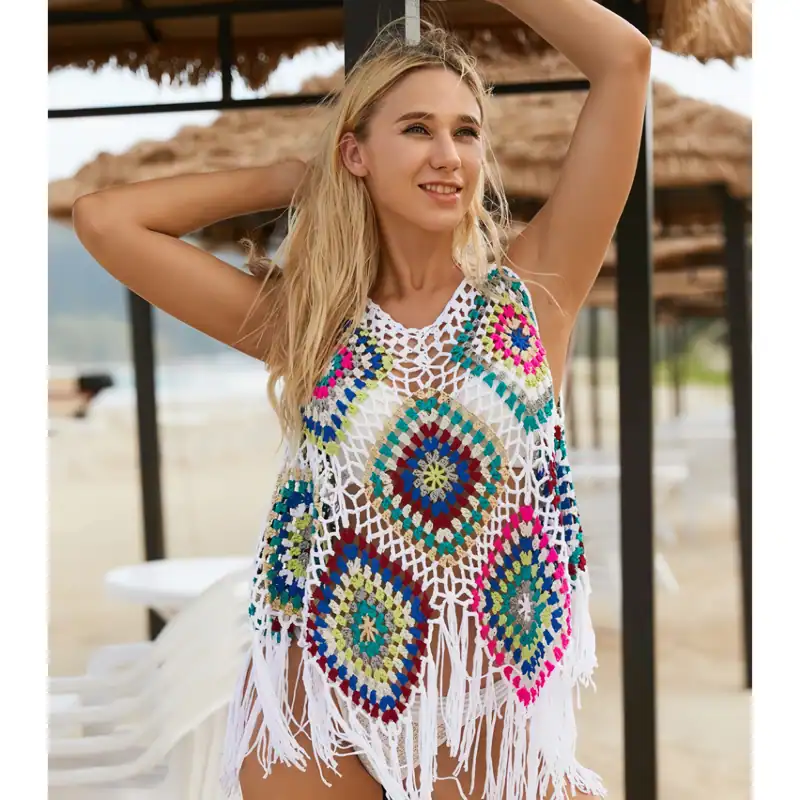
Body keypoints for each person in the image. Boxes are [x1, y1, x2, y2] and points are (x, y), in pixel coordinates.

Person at [73, 1, 651, 797]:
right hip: (322, 713)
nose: (448, 155)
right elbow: (106, 221)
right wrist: (289, 178)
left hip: (485, 722)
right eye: (417, 129)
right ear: (357, 153)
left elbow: (625, 61)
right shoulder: (308, 323)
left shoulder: (535, 293)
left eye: (467, 132)